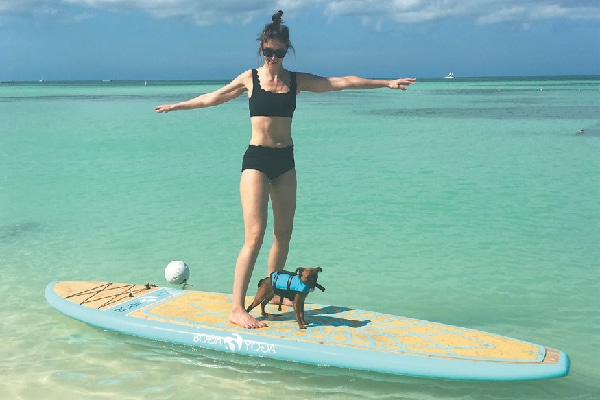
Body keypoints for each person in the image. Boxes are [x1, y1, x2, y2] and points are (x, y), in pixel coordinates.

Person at [155, 10, 416, 329]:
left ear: (286, 51)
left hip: (285, 160)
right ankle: (237, 308)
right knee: (254, 235)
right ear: (261, 49)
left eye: (279, 52)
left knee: (284, 232)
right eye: (268, 52)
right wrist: (177, 105)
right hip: (257, 160)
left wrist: (385, 83)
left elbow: (340, 82)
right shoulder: (249, 78)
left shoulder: (295, 81)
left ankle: (276, 290)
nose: (273, 58)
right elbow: (214, 97)